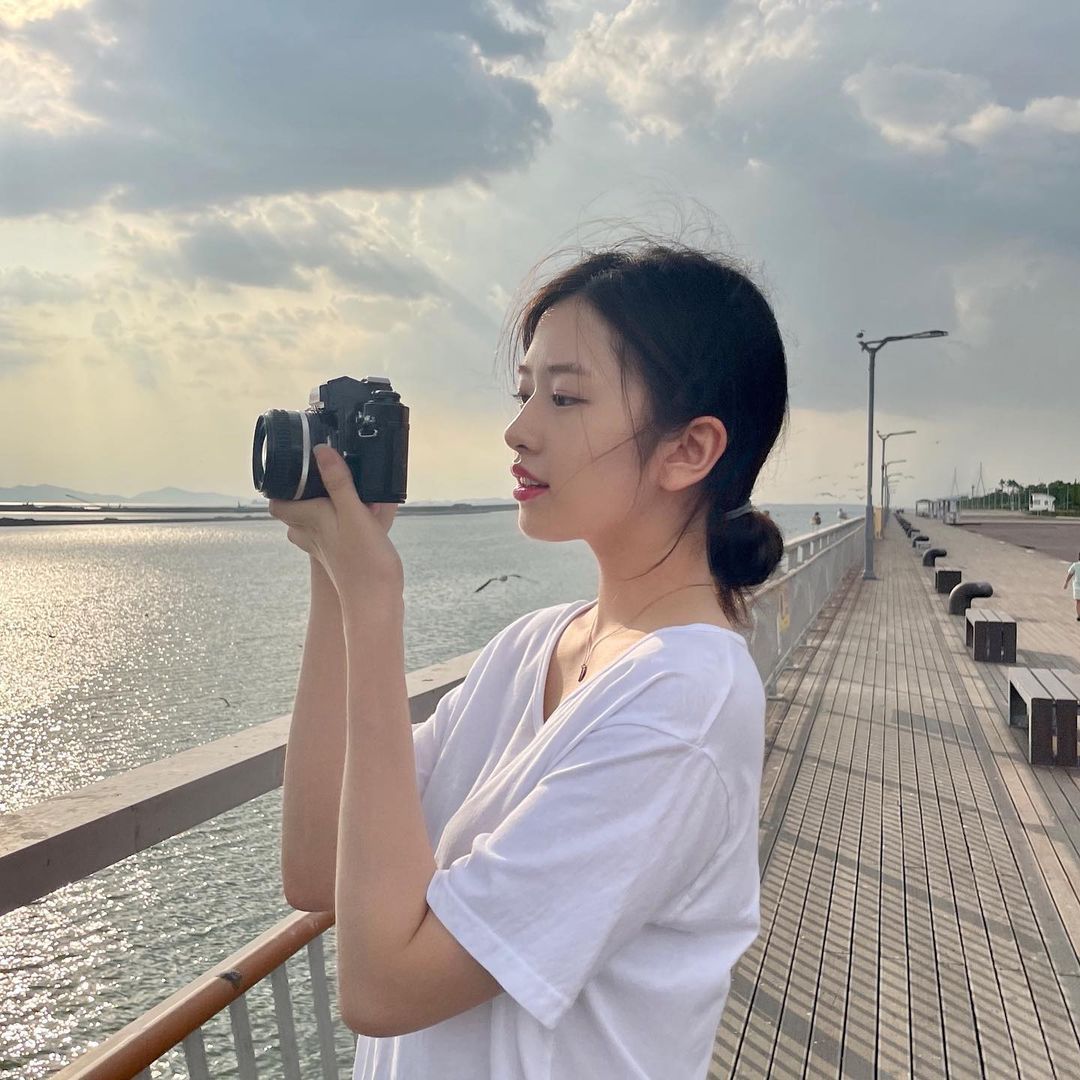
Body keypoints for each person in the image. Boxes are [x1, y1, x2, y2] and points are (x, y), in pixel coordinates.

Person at [274, 238, 788, 1080]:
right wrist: (333, 576)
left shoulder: (686, 702)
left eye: (565, 397)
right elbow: (313, 866)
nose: (519, 430)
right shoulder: (530, 645)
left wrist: (374, 607)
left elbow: (384, 986)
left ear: (689, 450)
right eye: (524, 393)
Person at [1064, 552, 1080, 620]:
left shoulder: (1075, 565)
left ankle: (1079, 616)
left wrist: (1066, 582)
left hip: (1077, 586)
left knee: (1078, 602)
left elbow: (1070, 574)